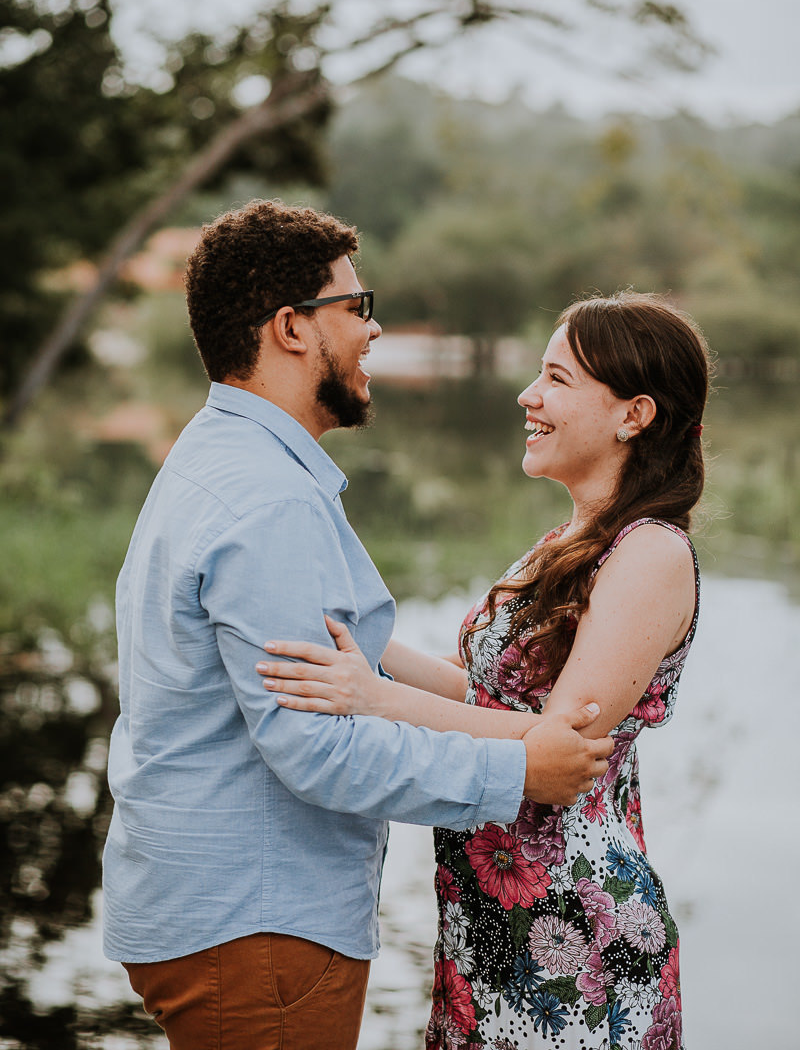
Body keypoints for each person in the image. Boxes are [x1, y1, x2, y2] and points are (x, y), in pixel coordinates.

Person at [102, 199, 613, 1050]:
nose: (373, 331)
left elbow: (344, 659)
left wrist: (487, 712)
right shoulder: (266, 499)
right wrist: (519, 771)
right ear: (292, 329)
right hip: (255, 923)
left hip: (218, 908)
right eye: (358, 308)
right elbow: (318, 749)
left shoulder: (219, 456)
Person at [256, 290, 710, 1049]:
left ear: (634, 414)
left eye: (558, 380)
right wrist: (347, 637)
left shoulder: (651, 555)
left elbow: (551, 744)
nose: (527, 396)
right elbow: (484, 692)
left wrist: (373, 698)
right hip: (489, 915)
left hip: (574, 929)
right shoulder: (566, 541)